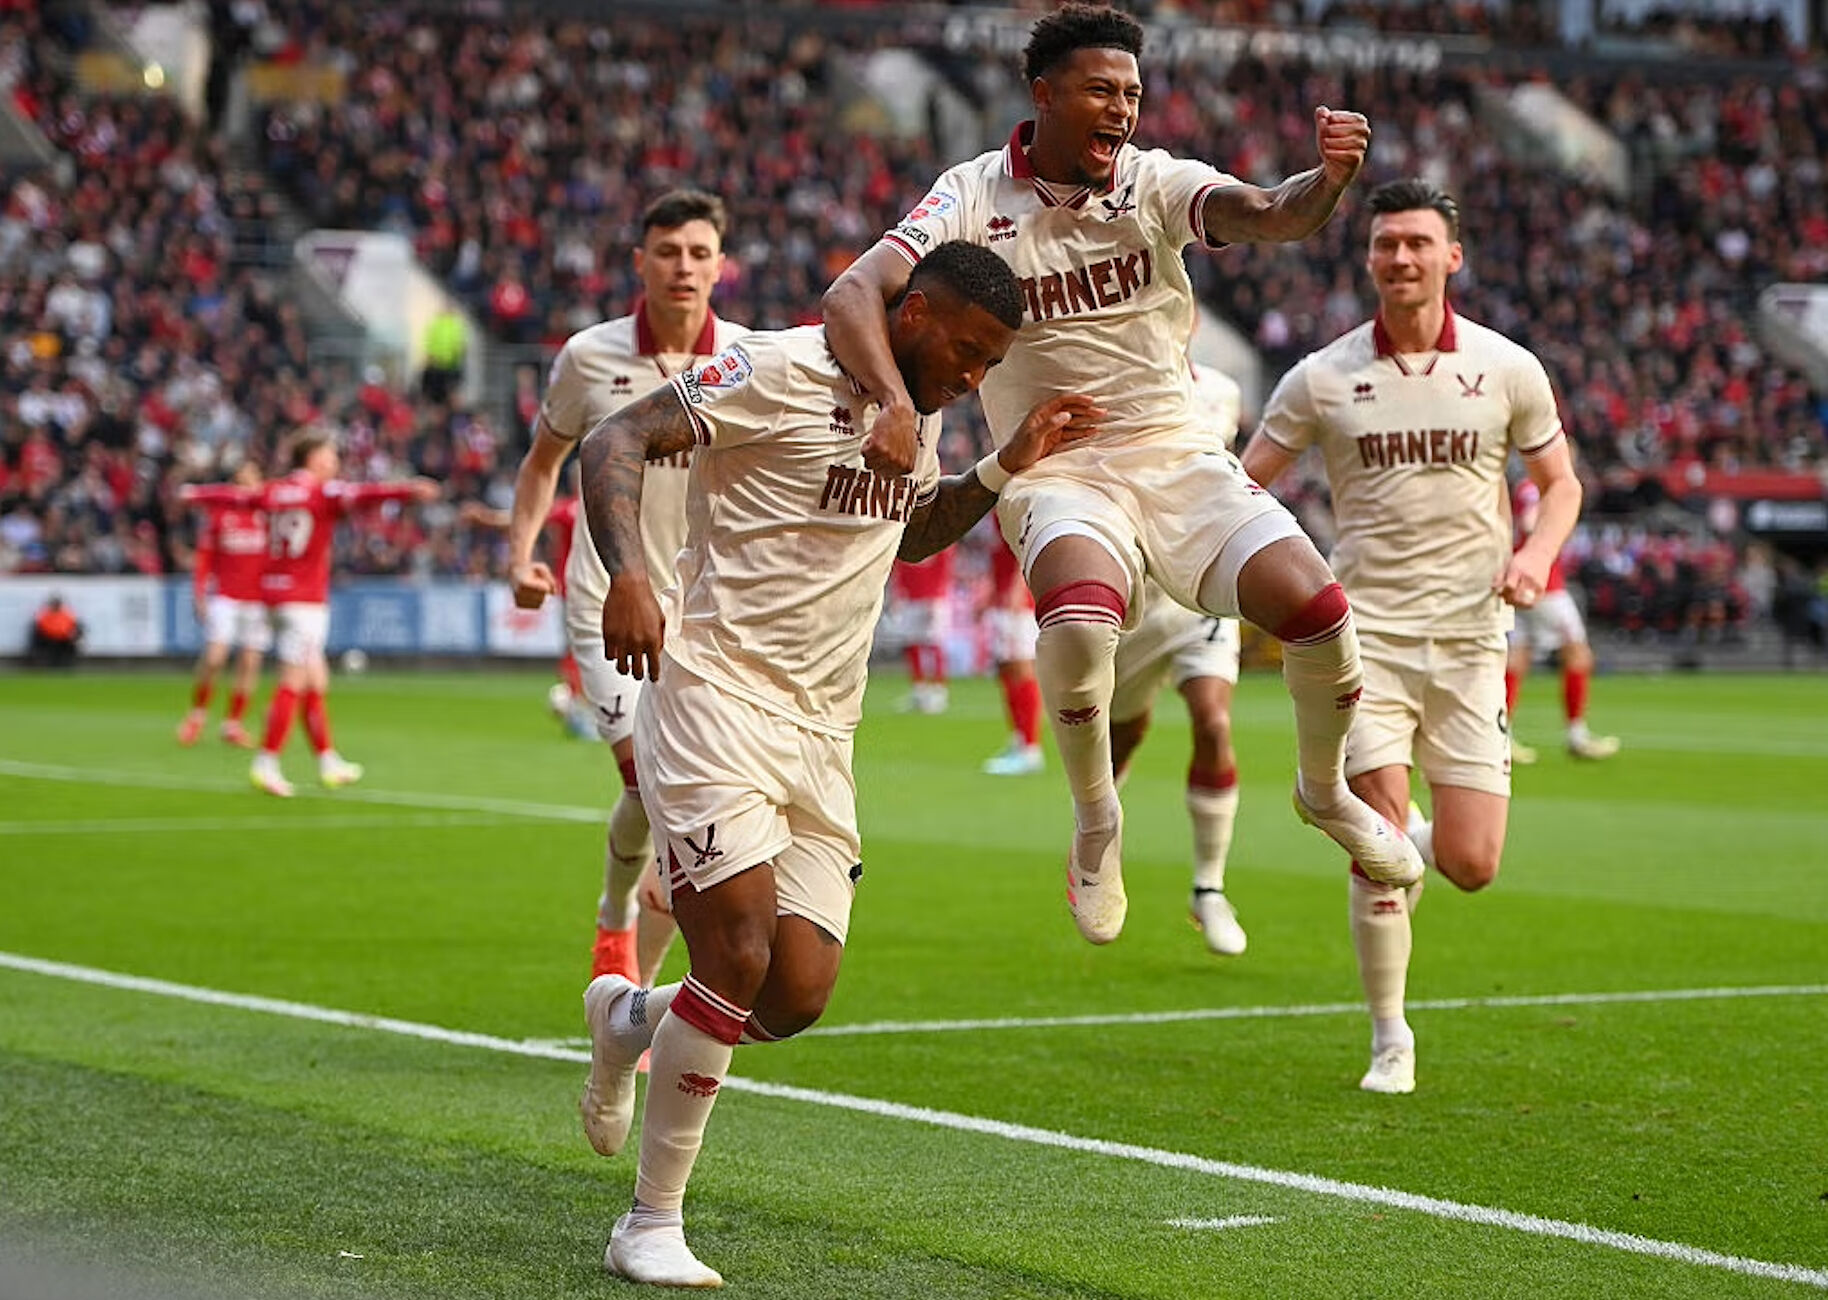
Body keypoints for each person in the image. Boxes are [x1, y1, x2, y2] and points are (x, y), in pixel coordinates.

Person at [823, 3, 1421, 950]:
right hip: (1057, 464)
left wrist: (1331, 181)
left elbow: (1272, 212)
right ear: (1044, 93)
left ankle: (1323, 790)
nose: (1123, 109)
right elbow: (853, 290)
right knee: (1077, 616)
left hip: (1176, 453)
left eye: (1133, 93)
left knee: (1319, 611)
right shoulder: (971, 194)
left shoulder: (1153, 181)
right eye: (1102, 90)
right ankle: (1098, 822)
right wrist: (895, 405)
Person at [575, 241, 1098, 1288]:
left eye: (991, 363)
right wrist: (628, 576)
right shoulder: (776, 369)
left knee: (795, 994)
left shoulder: (922, 413)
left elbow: (912, 532)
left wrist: (1004, 463)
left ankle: (625, 1019)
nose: (973, 377)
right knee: (733, 955)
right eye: (967, 350)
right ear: (913, 314)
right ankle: (649, 1222)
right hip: (715, 698)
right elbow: (614, 437)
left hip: (823, 733)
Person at [1239, 177, 1583, 1094]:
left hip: (1472, 640)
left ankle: (1374, 827)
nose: (1401, 257)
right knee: (1380, 847)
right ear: (1369, 259)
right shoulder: (1322, 375)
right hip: (1367, 643)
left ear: (1451, 257)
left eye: (1417, 243)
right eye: (1386, 243)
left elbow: (1561, 484)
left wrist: (1536, 555)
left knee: (1469, 863)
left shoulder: (1508, 368)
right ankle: (1391, 1036)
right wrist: (1278, 575)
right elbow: (1242, 485)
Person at [502, 189, 749, 989]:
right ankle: (616, 926)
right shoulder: (589, 357)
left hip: (705, 611)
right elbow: (541, 464)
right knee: (650, 781)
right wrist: (520, 557)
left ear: (721, 266)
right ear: (640, 262)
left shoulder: (747, 358)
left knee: (691, 800)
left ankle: (636, 992)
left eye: (699, 253)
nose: (684, 267)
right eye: (668, 252)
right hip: (607, 599)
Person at [184, 430, 440, 798]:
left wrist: (195, 494)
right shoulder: (322, 491)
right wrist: (409, 490)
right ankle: (266, 762)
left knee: (315, 681)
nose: (335, 462)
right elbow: (366, 495)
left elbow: (234, 498)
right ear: (315, 458)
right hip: (303, 601)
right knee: (293, 681)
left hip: (271, 594)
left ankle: (327, 761)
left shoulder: (273, 490)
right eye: (330, 455)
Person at [1108, 361, 1248, 956]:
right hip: (1134, 600)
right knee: (1119, 741)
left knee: (1213, 723)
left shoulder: (1222, 392)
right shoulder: (1113, 379)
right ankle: (1098, 839)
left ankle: (1209, 887)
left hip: (1199, 591)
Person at [1505, 477, 1620, 763]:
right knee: (1577, 652)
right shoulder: (1537, 485)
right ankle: (1577, 736)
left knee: (1516, 657)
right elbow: (1530, 522)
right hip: (1545, 586)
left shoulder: (1528, 485)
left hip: (1520, 578)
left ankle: (1501, 736)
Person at [177, 459, 270, 749]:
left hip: (258, 600)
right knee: (215, 657)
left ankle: (233, 724)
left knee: (250, 662)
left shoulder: (267, 514)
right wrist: (199, 594)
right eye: (244, 477)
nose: (250, 482)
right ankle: (197, 715)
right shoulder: (221, 515)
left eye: (254, 476)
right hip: (226, 597)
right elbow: (205, 558)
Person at [980, 529, 1044, 775]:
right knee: (1007, 669)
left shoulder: (1012, 507)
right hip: (1003, 596)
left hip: (1017, 601)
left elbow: (1025, 547)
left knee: (1021, 668)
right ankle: (1019, 739)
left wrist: (1019, 589)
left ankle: (1030, 749)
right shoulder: (994, 513)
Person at [891, 551, 952, 713]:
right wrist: (899, 593)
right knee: (912, 644)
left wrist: (936, 594)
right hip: (910, 599)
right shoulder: (904, 542)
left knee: (934, 643)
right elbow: (899, 567)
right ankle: (919, 690)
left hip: (933, 600)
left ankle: (939, 690)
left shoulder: (938, 542)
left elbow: (944, 566)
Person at [26, 595, 81, 668]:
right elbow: (42, 628)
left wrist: (72, 635)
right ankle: (49, 663)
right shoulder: (45, 615)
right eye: (54, 604)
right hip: (48, 639)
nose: (55, 606)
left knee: (72, 643)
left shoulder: (67, 614)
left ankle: (66, 664)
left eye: (57, 604)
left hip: (64, 639)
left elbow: (73, 626)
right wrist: (54, 634)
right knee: (48, 645)